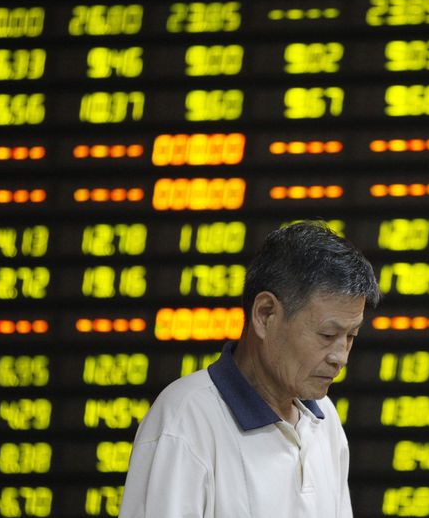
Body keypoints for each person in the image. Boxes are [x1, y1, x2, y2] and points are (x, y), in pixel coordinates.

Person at [118, 221, 381, 518]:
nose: (341, 357)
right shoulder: (185, 420)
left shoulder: (325, 419)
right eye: (327, 335)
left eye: (351, 336)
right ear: (265, 314)